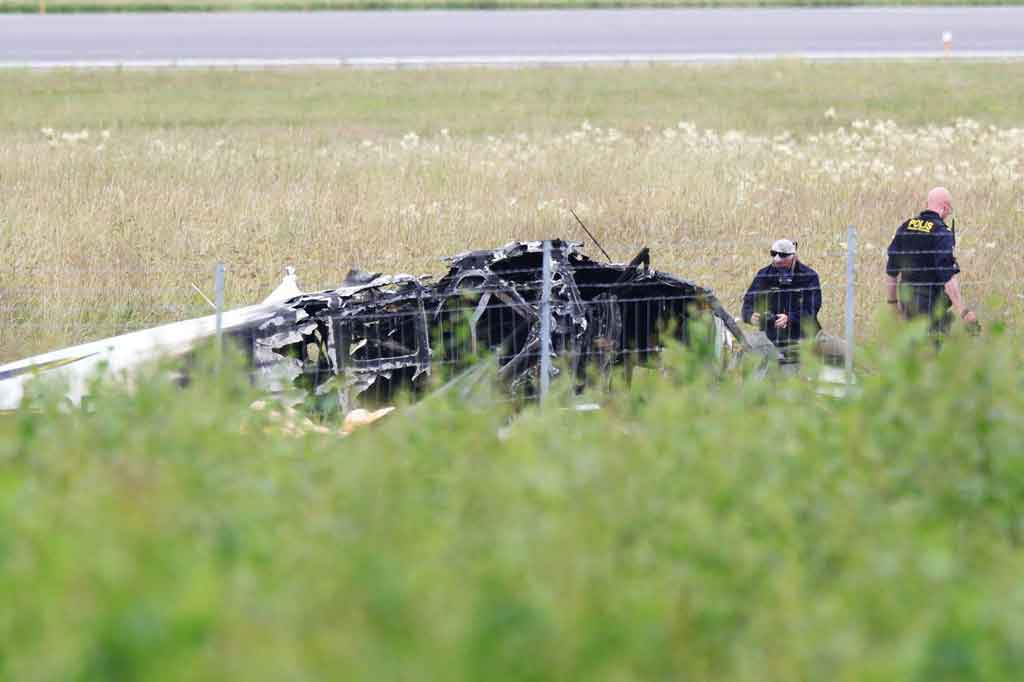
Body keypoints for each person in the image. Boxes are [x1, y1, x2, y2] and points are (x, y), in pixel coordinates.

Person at [885, 187, 978, 335]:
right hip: (930, 305)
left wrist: (893, 306)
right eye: (949, 211)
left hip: (906, 302)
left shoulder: (905, 227)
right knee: (932, 352)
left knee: (909, 351)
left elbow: (891, 271)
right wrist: (963, 312)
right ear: (945, 208)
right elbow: (948, 278)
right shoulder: (942, 233)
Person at [741, 239, 822, 361]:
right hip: (771, 339)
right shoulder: (764, 275)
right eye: (774, 253)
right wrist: (749, 316)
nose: (777, 258)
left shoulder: (809, 276)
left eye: (783, 255)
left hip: (802, 338)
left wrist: (790, 318)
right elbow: (748, 302)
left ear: (793, 256)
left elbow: (812, 309)